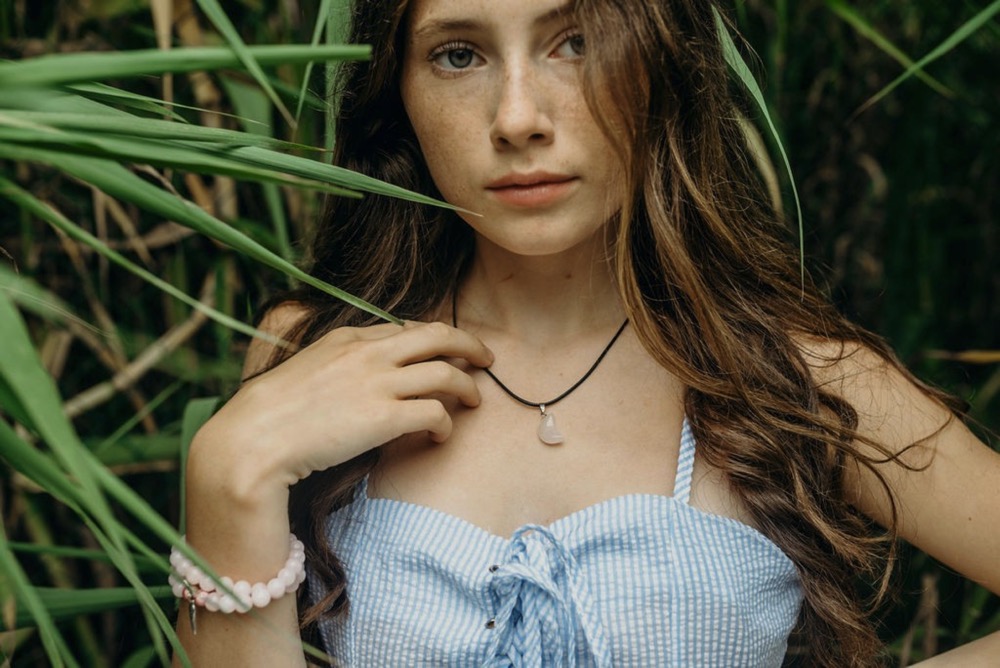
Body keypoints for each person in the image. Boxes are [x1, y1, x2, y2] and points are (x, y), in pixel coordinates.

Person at [173, 0, 1000, 665]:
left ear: (662, 61)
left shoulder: (794, 374)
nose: (518, 117)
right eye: (458, 54)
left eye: (574, 41)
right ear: (400, 94)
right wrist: (226, 474)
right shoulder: (316, 351)